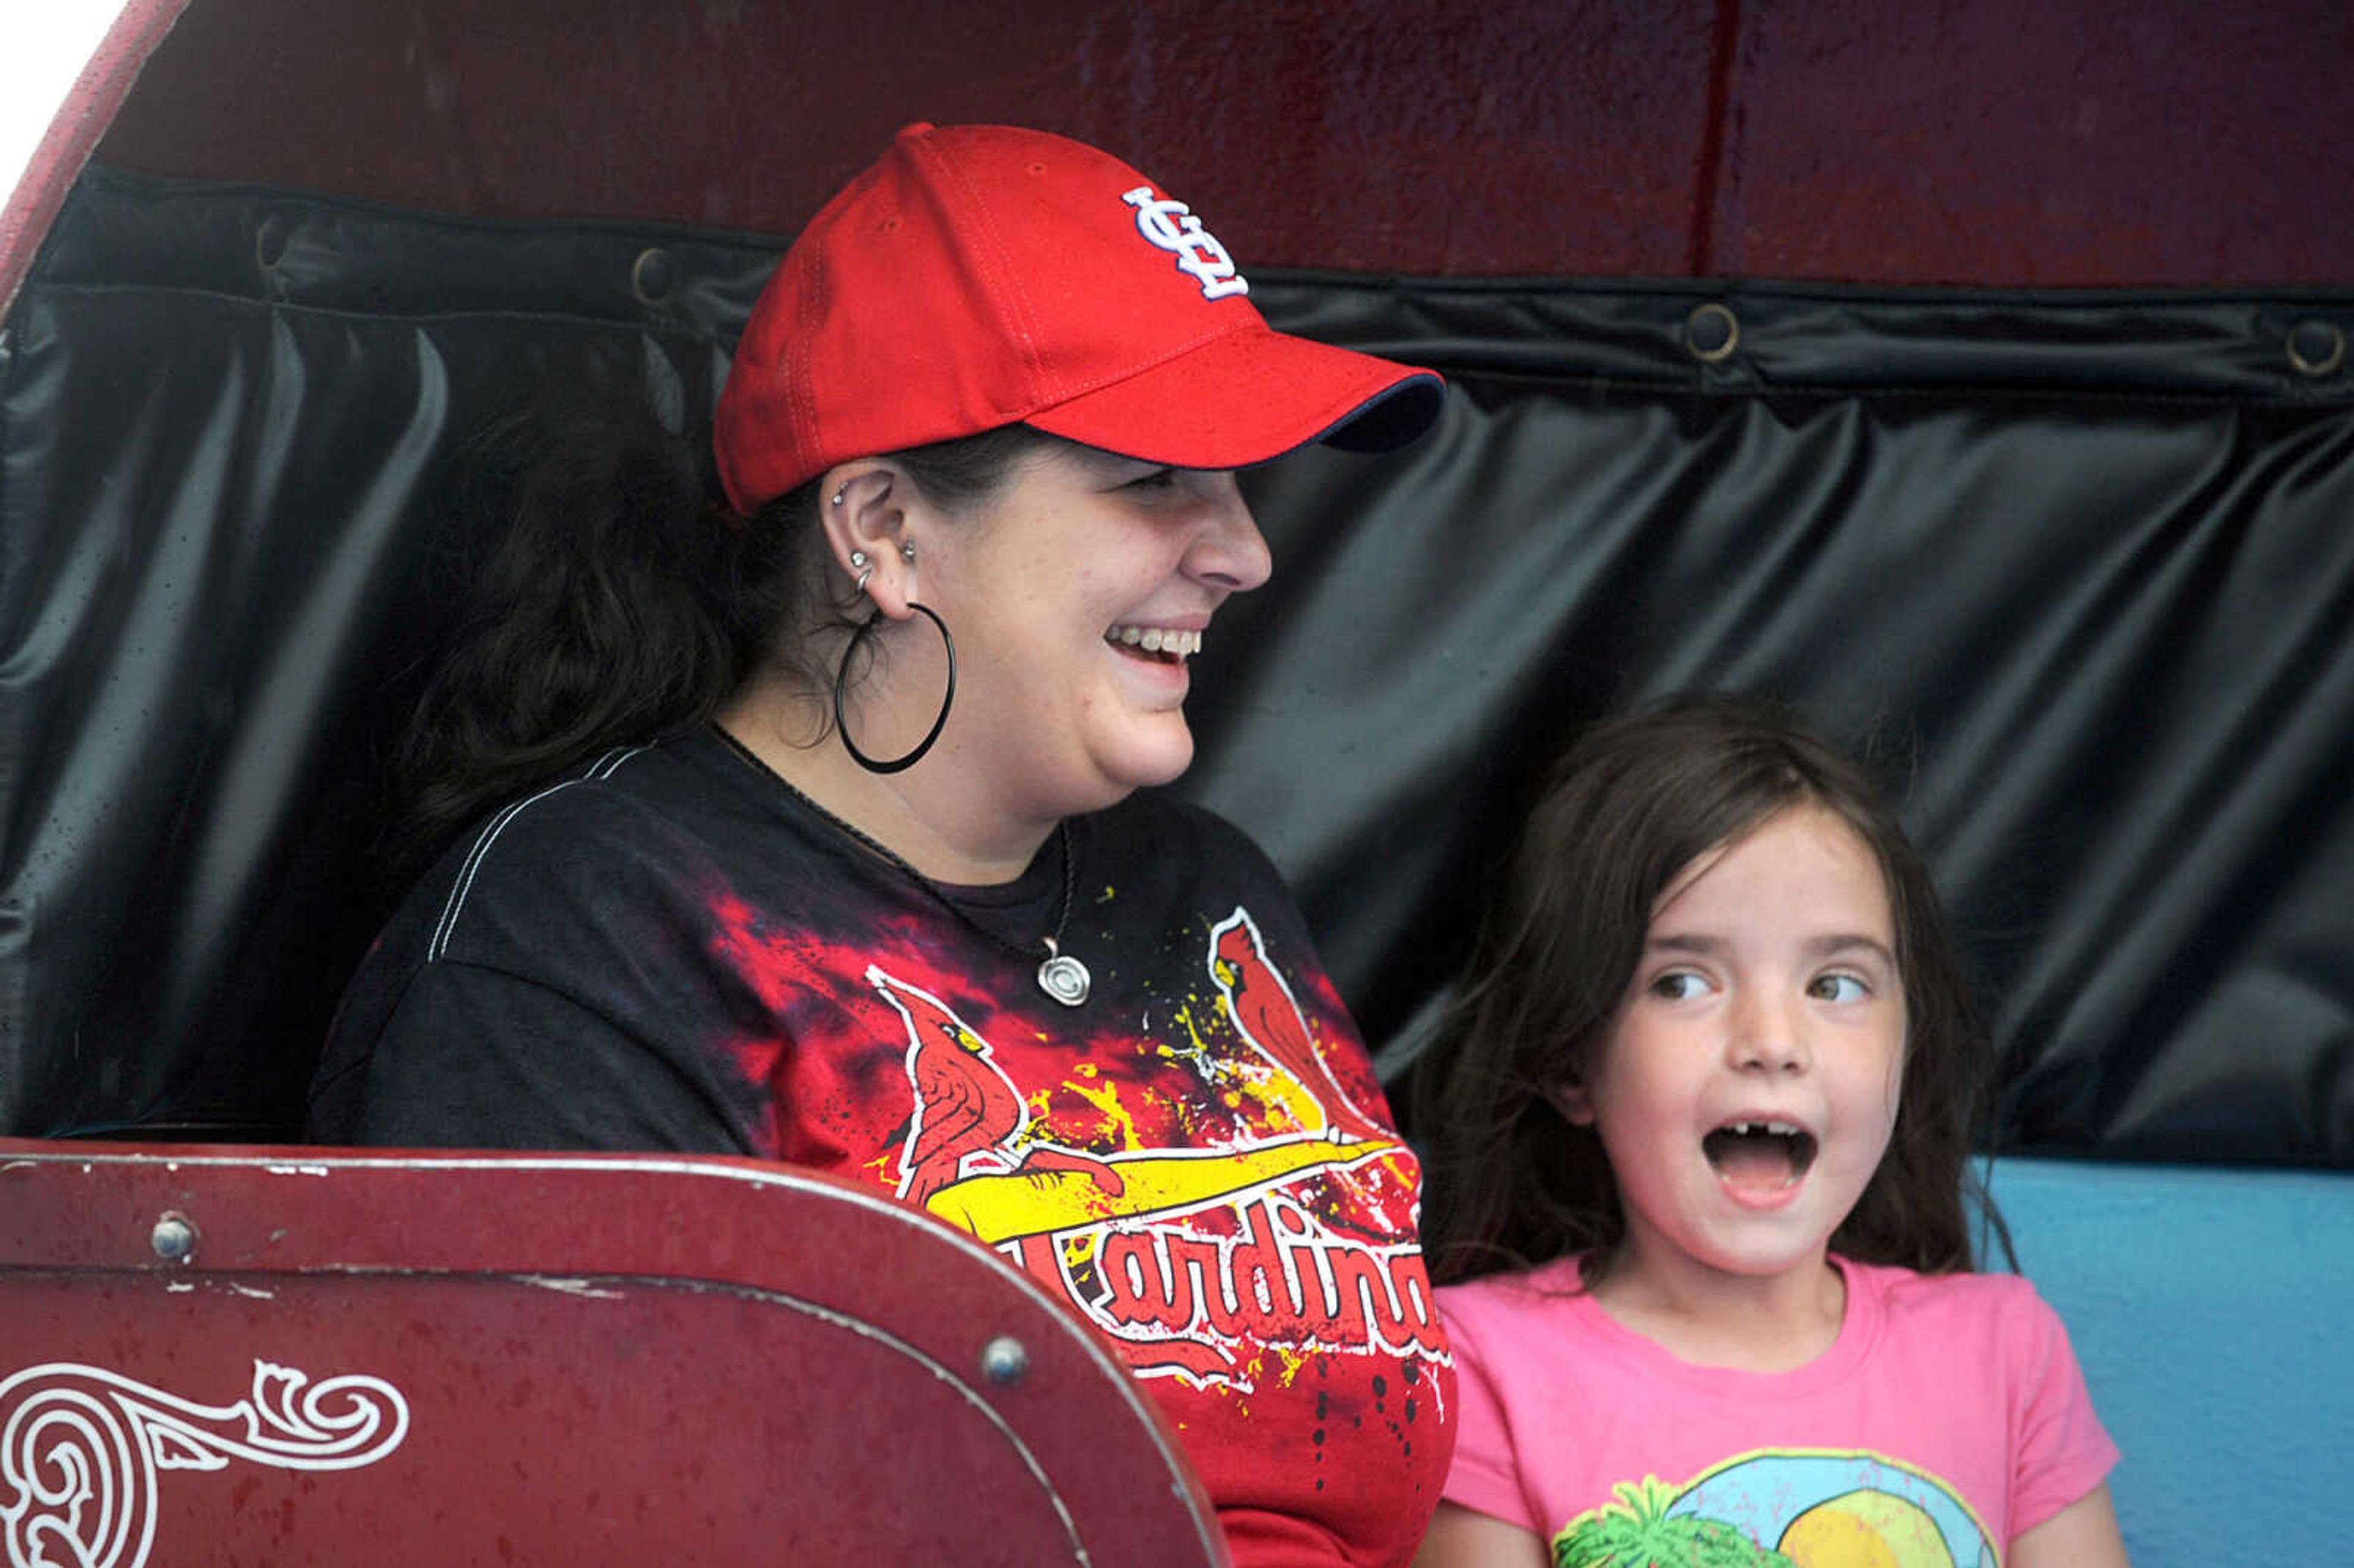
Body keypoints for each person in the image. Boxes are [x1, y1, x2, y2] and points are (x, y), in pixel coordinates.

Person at [305, 122, 1453, 1566]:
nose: (1244, 550)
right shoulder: (588, 941)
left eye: (1236, 484)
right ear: (885, 528)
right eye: (1160, 474)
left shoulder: (1212, 895)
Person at [1407, 698, 2128, 1568]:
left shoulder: (2008, 1353)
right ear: (1571, 1061)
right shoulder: (1485, 1367)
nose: (1775, 1044)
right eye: (1681, 982)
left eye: (1835, 984)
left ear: (1908, 1042)